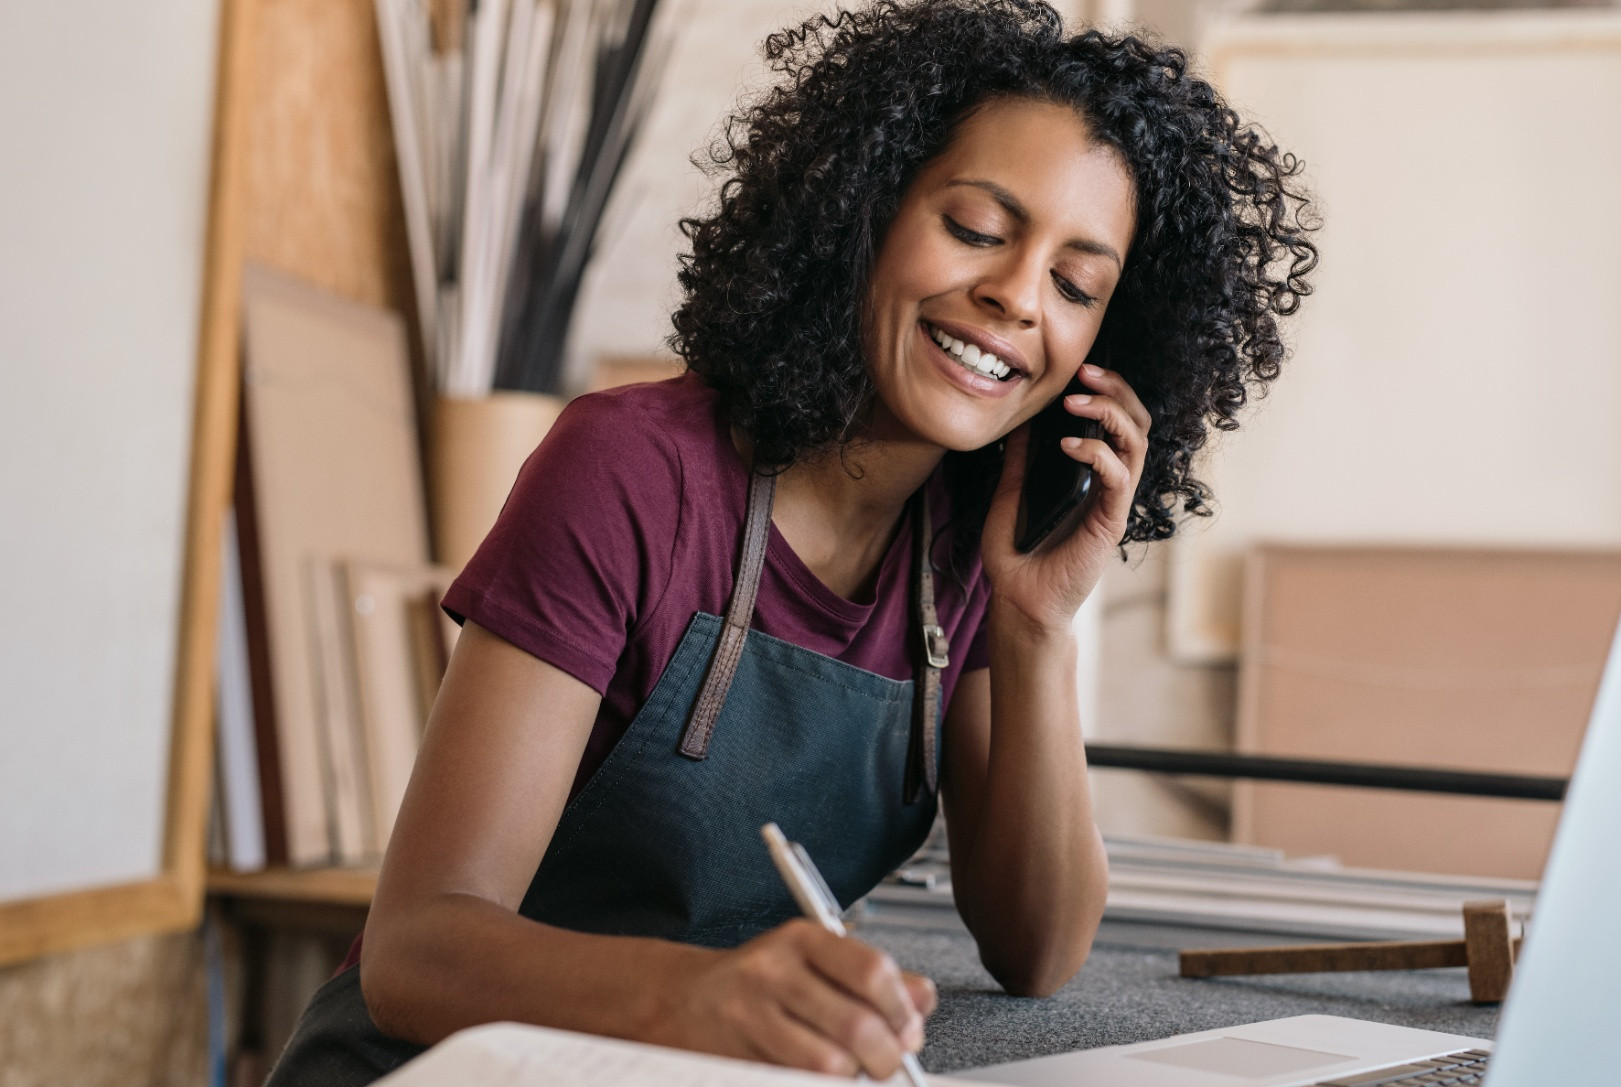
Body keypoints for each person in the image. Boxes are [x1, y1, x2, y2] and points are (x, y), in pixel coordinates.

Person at [263, 1, 1315, 1083]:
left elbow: (1038, 948)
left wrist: (1038, 625)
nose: (1016, 297)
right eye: (977, 229)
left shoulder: (963, 543)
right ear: (861, 211)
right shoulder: (632, 471)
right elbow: (416, 949)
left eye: (1076, 283)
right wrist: (699, 995)